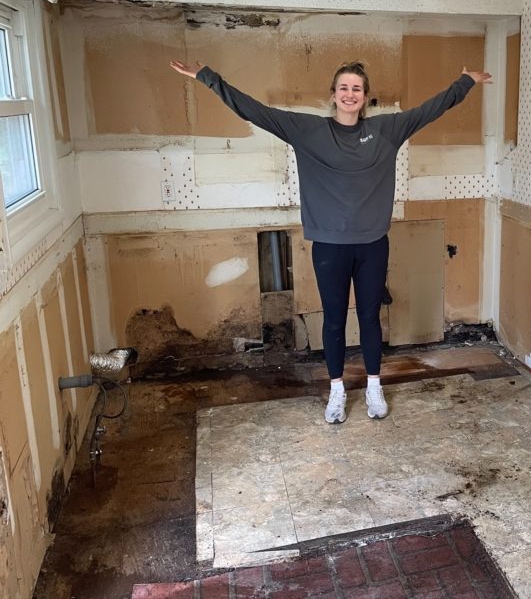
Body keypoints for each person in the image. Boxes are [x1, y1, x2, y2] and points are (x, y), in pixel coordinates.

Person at [170, 58, 492, 424]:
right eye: (344, 88)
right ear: (333, 95)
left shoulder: (388, 129)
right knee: (335, 319)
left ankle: (374, 385)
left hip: (372, 243)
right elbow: (254, 110)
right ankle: (336, 390)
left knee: (370, 317)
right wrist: (207, 78)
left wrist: (464, 82)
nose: (350, 94)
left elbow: (431, 109)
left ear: (366, 97)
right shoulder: (307, 130)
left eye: (357, 88)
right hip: (328, 246)